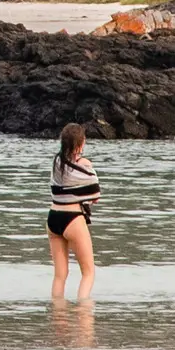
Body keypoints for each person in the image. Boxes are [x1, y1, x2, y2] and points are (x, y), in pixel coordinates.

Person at [47, 122, 100, 303]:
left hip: (53, 218)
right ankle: (83, 312)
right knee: (88, 272)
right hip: (73, 218)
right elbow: (95, 194)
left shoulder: (56, 162)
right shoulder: (83, 163)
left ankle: (58, 314)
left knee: (60, 275)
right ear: (81, 144)